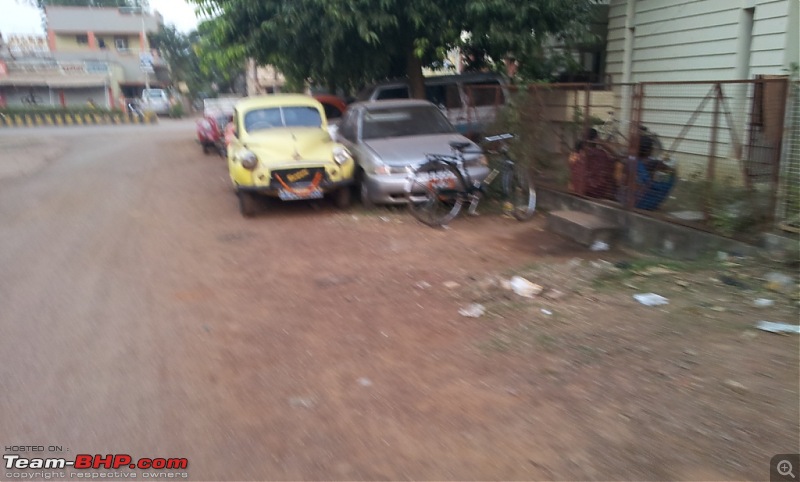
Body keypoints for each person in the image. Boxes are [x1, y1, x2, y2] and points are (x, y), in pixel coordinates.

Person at [617, 134, 676, 210]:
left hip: (624, 200)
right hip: (641, 204)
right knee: (670, 178)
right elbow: (671, 172)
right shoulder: (649, 165)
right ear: (649, 150)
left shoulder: (629, 161)